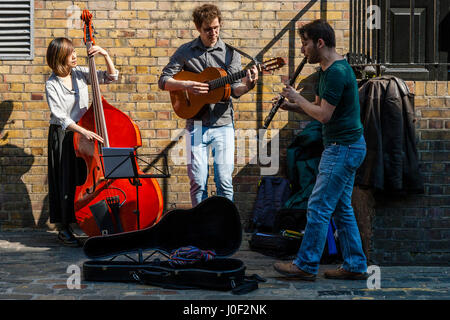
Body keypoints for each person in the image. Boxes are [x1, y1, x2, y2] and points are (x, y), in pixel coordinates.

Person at [273, 20, 368, 280]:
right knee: (341, 208)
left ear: (320, 43)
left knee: (317, 206)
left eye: (305, 43)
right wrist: (292, 106)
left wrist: (298, 98)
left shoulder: (337, 72)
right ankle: (356, 265)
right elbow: (318, 106)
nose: (303, 50)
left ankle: (305, 264)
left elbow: (324, 116)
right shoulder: (327, 69)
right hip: (345, 147)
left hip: (343, 149)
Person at [158, 4, 258, 206]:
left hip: (223, 124)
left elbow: (236, 90)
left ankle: (224, 229)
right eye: (208, 29)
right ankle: (199, 230)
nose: (213, 33)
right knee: (198, 183)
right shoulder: (186, 51)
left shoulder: (231, 54)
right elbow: (163, 81)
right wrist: (187, 85)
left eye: (216, 28)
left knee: (224, 181)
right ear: (198, 28)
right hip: (195, 123)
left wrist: (249, 84)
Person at [45, 37, 118, 246]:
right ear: (60, 58)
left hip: (85, 131)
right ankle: (64, 227)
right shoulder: (52, 84)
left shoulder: (79, 73)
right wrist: (83, 131)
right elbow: (60, 117)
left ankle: (86, 220)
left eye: (75, 51)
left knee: (83, 176)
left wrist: (104, 54)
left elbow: (111, 77)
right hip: (64, 134)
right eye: (70, 53)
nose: (75, 55)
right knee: (66, 179)